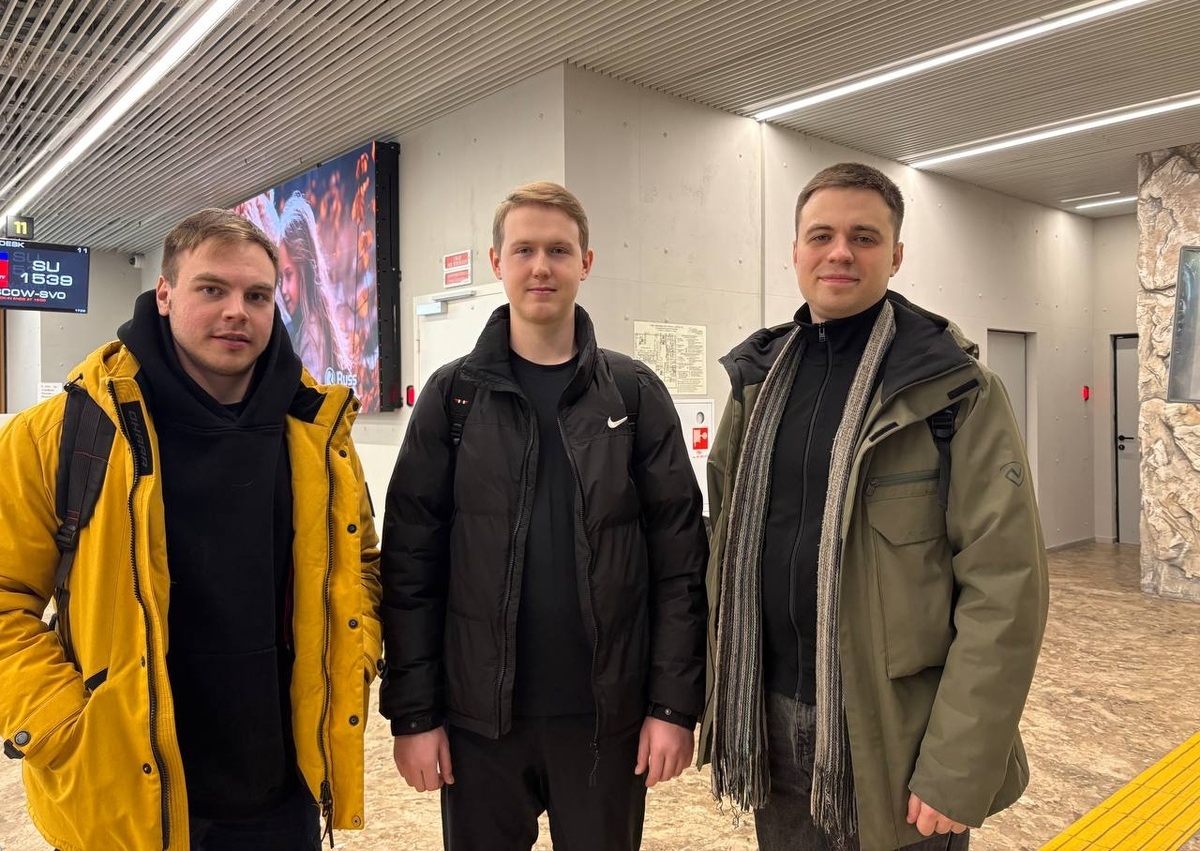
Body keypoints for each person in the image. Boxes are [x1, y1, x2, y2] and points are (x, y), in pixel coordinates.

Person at [0, 209, 382, 850]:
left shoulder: (316, 432)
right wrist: (60, 719)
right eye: (212, 289)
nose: (237, 311)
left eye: (257, 295)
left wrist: (356, 655)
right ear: (165, 294)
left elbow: (361, 563)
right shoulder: (63, 434)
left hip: (281, 794)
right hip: (121, 795)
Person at [701, 162, 1049, 851]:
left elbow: (1006, 587)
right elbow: (722, 555)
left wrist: (956, 767)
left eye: (864, 237)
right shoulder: (756, 387)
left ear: (895, 255)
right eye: (821, 235)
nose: (840, 252)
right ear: (795, 252)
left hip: (897, 735)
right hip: (770, 724)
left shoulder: (952, 392)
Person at [380, 181, 708, 851]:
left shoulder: (634, 394)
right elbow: (411, 566)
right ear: (495, 262)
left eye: (558, 250)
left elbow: (680, 564)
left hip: (605, 722)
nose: (541, 267)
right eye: (523, 249)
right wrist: (414, 714)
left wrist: (672, 705)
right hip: (479, 724)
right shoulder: (452, 398)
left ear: (585, 262)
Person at [276, 191, 350, 381]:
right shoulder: (313, 320)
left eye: (289, 275)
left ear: (304, 272)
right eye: (280, 279)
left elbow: (308, 395)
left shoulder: (311, 331)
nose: (283, 290)